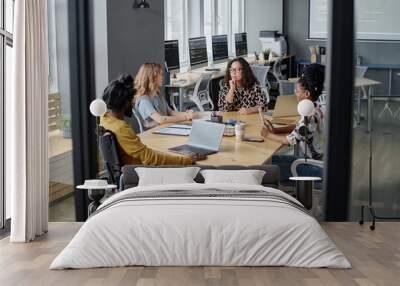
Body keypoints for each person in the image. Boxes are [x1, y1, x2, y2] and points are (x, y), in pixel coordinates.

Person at [100, 74, 205, 166]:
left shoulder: (105, 119)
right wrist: (186, 160)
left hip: (131, 170)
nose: (133, 103)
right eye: (131, 100)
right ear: (126, 102)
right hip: (140, 172)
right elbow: (150, 159)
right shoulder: (121, 128)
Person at [260, 64, 325, 183]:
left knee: (264, 171)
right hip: (315, 162)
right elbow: (299, 128)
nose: (295, 93)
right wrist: (276, 130)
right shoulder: (317, 108)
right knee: (270, 161)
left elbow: (290, 141)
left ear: (306, 94)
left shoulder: (309, 117)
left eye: (297, 91)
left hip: (314, 167)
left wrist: (267, 135)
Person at [134, 63, 196, 129]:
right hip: (154, 133)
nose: (162, 77)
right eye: (160, 74)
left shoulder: (157, 94)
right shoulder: (144, 101)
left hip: (165, 128)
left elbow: (171, 112)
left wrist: (187, 114)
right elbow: (161, 120)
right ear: (152, 78)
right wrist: (185, 117)